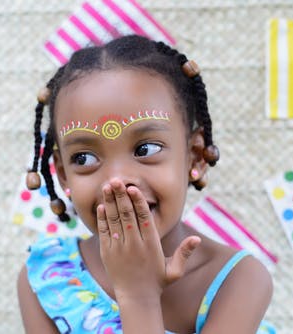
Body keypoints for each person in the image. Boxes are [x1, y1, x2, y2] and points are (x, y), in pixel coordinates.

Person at [17, 35, 275, 334]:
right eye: (84, 157)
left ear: (195, 157)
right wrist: (137, 293)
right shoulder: (49, 280)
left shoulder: (238, 281)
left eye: (146, 150)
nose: (117, 179)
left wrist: (139, 297)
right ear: (63, 174)